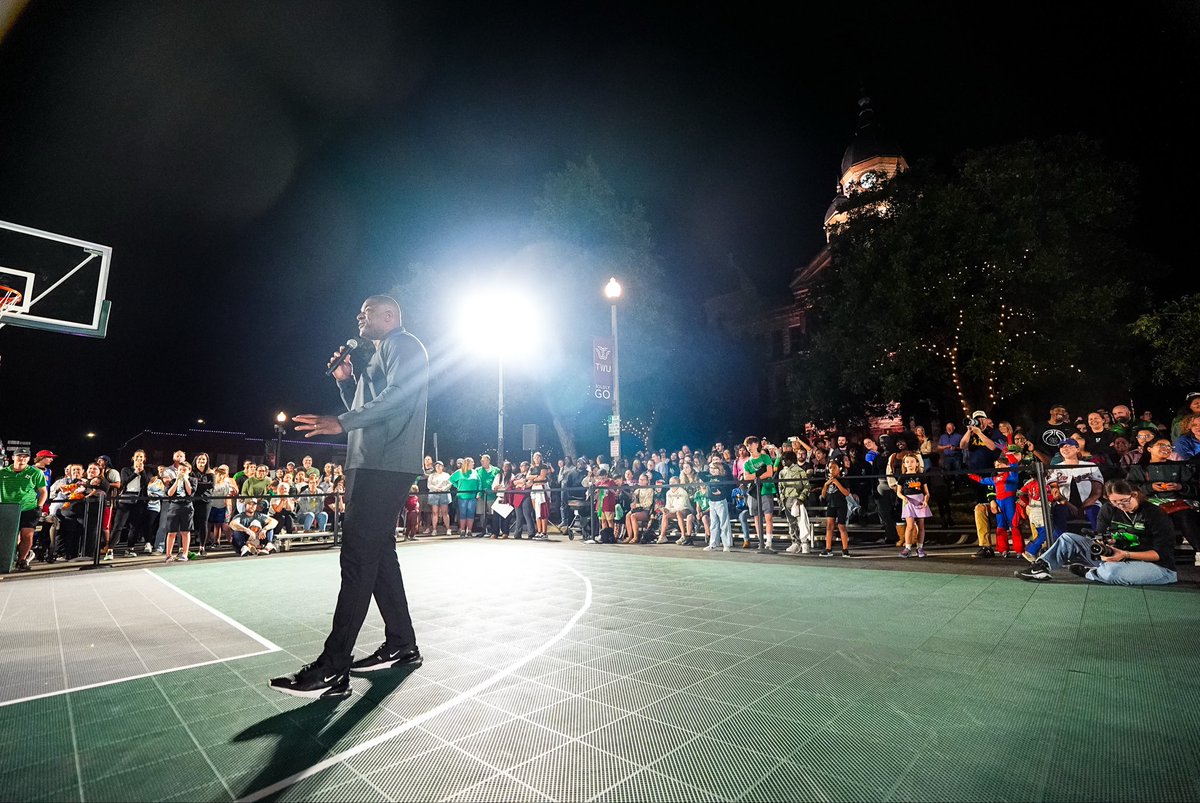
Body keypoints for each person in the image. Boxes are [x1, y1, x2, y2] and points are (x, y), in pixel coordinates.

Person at [274, 294, 429, 699]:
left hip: (384, 463)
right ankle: (401, 643)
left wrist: (340, 421)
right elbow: (368, 407)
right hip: (373, 460)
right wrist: (347, 382)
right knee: (378, 559)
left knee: (358, 559)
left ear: (390, 315)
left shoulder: (402, 344)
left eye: (367, 312)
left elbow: (397, 398)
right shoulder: (377, 355)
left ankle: (333, 667)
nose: (359, 316)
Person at [1016, 480, 1177, 585]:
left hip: (1155, 566)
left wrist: (1125, 554)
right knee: (1067, 538)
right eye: (1115, 502)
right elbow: (1099, 536)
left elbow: (1161, 553)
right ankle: (1041, 567)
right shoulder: (1109, 509)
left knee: (1110, 573)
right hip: (1116, 557)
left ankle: (1091, 573)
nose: (1121, 505)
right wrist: (1105, 543)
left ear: (1134, 495)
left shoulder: (1154, 513)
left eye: (1124, 501)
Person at [1124, 436, 1199, 564]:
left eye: (1169, 446)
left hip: (1176, 505)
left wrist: (1180, 486)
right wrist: (1150, 487)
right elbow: (1129, 489)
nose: (1166, 448)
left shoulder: (1179, 466)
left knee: (1185, 516)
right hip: (1149, 504)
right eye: (1161, 445)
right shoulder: (1139, 468)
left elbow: (1195, 488)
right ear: (1149, 449)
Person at [896, 452, 930, 558]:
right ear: (904, 464)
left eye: (912, 461)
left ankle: (920, 547)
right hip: (908, 502)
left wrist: (925, 500)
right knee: (910, 526)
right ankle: (908, 548)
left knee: (921, 525)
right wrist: (904, 498)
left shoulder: (921, 476)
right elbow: (898, 492)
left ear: (916, 463)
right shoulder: (902, 477)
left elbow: (927, 492)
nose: (909, 464)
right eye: (907, 462)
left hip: (919, 500)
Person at [819, 460, 852, 557]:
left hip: (841, 505)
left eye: (834, 468)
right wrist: (826, 485)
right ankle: (828, 549)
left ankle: (845, 549)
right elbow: (823, 495)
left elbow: (846, 493)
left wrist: (836, 482)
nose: (832, 470)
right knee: (829, 527)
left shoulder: (843, 479)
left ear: (839, 469)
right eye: (830, 468)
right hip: (831, 505)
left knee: (841, 526)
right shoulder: (828, 481)